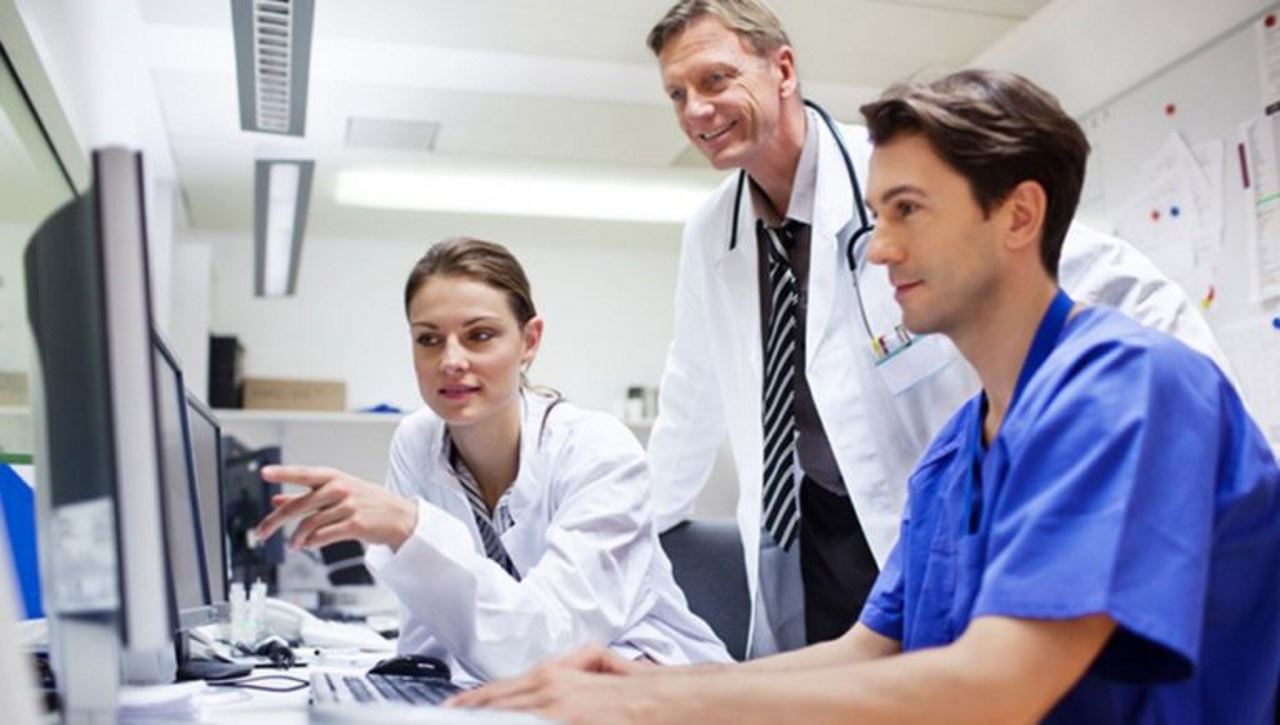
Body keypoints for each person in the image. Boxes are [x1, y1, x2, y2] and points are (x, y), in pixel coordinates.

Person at [451, 69, 1280, 724]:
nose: (877, 247)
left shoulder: (1126, 387)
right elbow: (870, 649)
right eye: (876, 212)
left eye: (907, 210)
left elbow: (998, 689)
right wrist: (647, 679)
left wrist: (657, 702)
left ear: (1020, 214)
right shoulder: (958, 448)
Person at [639, 0, 1231, 656]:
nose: (695, 108)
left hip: (935, 510)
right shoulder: (710, 234)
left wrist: (1208, 449)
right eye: (676, 93)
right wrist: (627, 541)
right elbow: (691, 396)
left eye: (715, 80)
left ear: (782, 69)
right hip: (814, 534)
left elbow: (1103, 278)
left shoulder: (901, 169)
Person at [253, 237, 729, 681]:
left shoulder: (598, 450)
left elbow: (549, 650)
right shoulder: (418, 440)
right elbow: (429, 630)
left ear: (530, 341)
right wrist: (408, 686)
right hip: (515, 694)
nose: (450, 360)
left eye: (479, 336)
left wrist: (410, 527)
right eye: (428, 338)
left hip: (643, 685)